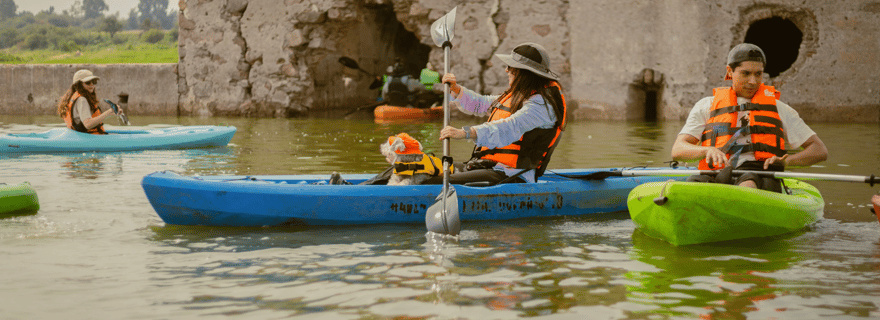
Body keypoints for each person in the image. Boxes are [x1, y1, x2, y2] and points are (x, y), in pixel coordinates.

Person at [671, 43, 827, 192]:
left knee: (748, 182)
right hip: (717, 173)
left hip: (758, 175)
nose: (753, 81)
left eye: (758, 74)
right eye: (745, 73)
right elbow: (678, 149)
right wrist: (706, 151)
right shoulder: (706, 105)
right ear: (730, 71)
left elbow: (819, 150)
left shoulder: (779, 109)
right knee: (691, 184)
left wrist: (787, 162)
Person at [434, 42, 567, 185]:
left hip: (514, 176)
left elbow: (509, 127)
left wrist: (467, 132)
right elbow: (481, 104)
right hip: (490, 167)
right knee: (429, 169)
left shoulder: (542, 105)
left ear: (523, 72)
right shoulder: (519, 96)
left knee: (436, 181)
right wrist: (456, 90)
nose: (506, 70)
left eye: (510, 67)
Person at [56, 69, 120, 134]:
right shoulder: (82, 100)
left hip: (80, 135)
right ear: (79, 85)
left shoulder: (74, 96)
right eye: (88, 82)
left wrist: (112, 112)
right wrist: (109, 111)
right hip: (89, 137)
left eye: (93, 82)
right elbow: (88, 124)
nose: (92, 85)